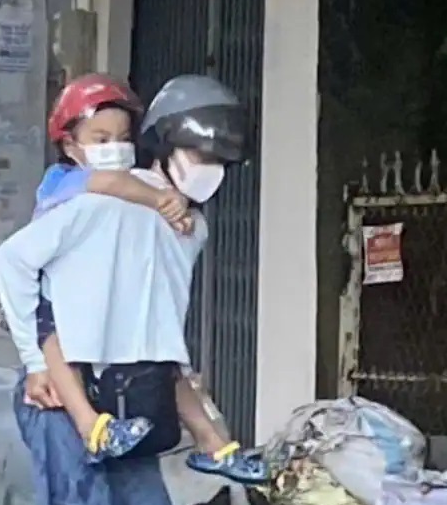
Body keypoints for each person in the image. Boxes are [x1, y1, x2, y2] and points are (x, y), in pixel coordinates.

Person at [0, 74, 254, 505]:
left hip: (128, 397)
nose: (207, 168)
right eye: (197, 153)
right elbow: (13, 263)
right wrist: (32, 363)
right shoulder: (90, 200)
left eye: (218, 159)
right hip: (62, 394)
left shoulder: (189, 229)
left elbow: (160, 329)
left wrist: (203, 423)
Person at [25, 74, 266, 484]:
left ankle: (214, 446)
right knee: (57, 340)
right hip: (56, 306)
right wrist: (161, 201)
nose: (112, 147)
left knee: (164, 360)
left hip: (124, 325)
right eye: (100, 138)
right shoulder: (86, 189)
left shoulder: (185, 222)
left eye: (120, 137)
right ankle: (91, 426)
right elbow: (106, 184)